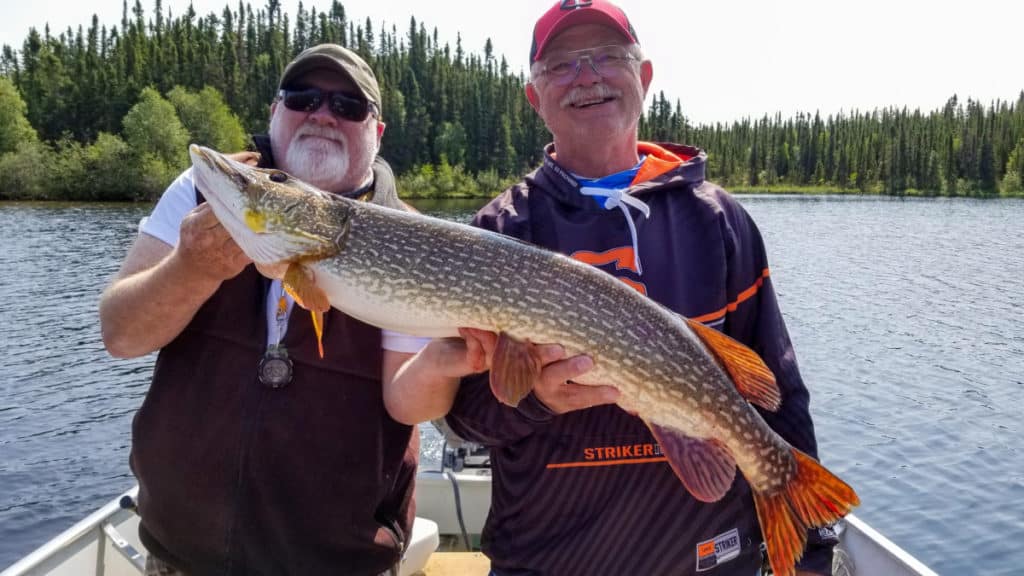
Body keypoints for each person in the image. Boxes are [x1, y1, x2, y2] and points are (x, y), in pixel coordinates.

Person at [386, 2, 837, 575]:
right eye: (561, 66)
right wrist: (536, 399)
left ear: (643, 77)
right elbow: (466, 418)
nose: (587, 76)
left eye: (607, 57)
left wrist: (815, 549)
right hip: (547, 561)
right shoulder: (499, 233)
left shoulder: (719, 221)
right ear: (535, 98)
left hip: (707, 560)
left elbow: (779, 386)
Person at [100, 44, 424, 576]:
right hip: (183, 556)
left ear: (377, 131)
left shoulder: (407, 233)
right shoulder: (211, 189)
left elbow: (414, 398)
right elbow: (120, 335)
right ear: (275, 111)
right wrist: (191, 266)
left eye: (348, 106)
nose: (322, 113)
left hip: (341, 563)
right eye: (303, 97)